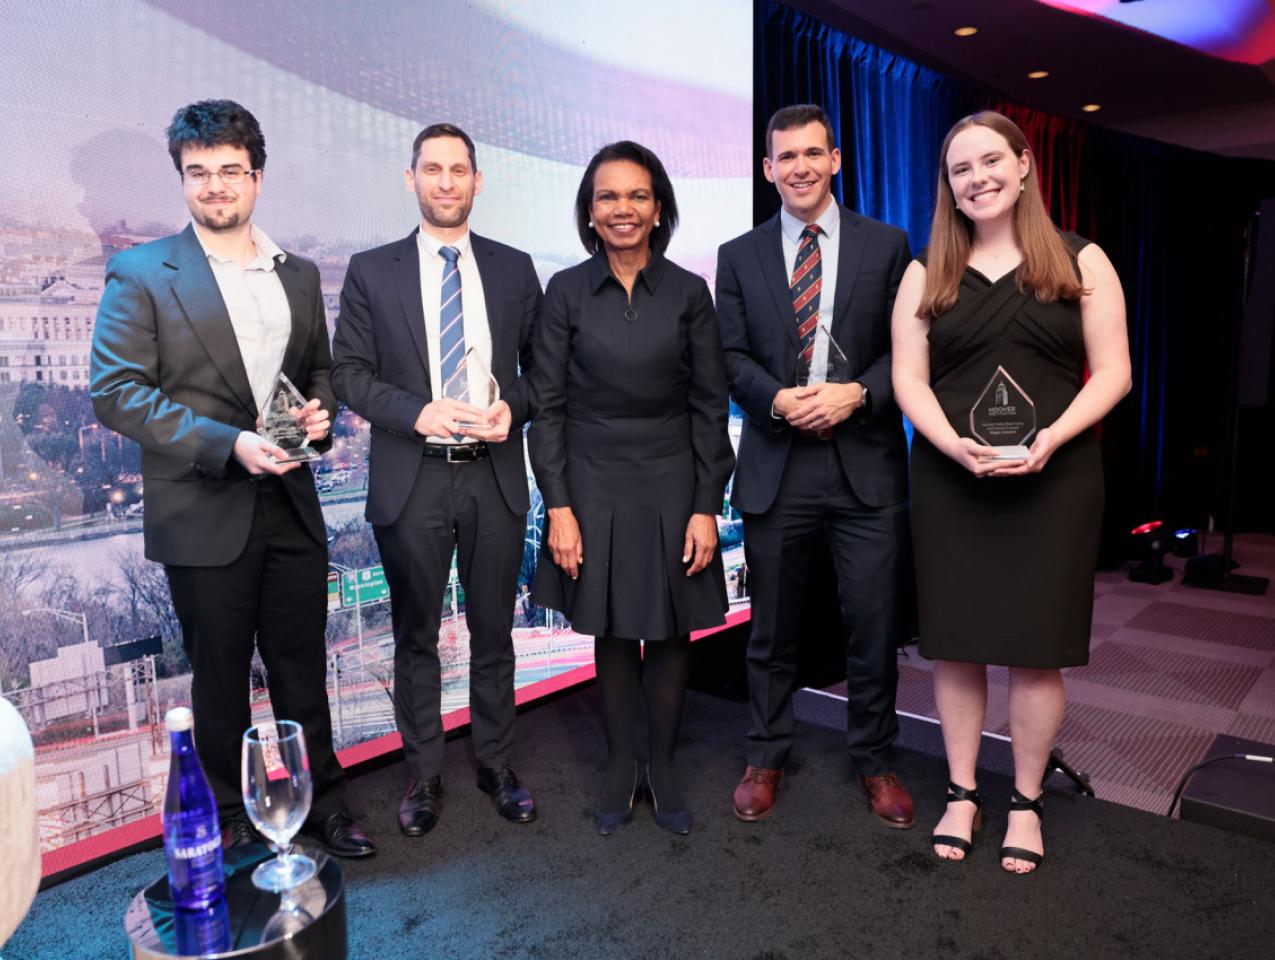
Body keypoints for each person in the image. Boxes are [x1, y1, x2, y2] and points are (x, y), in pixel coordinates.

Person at [90, 100, 374, 857]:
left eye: (229, 172)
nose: (215, 187)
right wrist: (228, 445)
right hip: (202, 503)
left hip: (289, 499)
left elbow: (315, 369)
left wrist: (320, 412)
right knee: (217, 684)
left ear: (256, 176)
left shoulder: (302, 274)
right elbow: (115, 391)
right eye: (198, 174)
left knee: (302, 669)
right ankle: (226, 821)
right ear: (182, 179)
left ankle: (324, 803)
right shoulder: (143, 271)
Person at [891, 111, 1130, 873]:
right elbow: (906, 378)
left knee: (1035, 653)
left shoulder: (1080, 259)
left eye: (991, 160)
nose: (977, 178)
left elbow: (1115, 373)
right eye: (960, 169)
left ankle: (1024, 802)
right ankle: (961, 792)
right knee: (955, 649)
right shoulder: (925, 268)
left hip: (1054, 481)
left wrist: (1051, 439)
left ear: (1024, 166)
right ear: (948, 187)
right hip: (949, 480)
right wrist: (949, 445)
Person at [330, 123, 543, 836]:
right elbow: (350, 376)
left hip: (494, 479)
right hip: (413, 477)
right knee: (415, 635)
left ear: (478, 181)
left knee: (494, 633)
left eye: (458, 170)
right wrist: (418, 411)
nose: (446, 182)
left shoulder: (515, 269)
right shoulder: (370, 269)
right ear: (410, 178)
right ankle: (421, 777)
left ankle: (496, 764)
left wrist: (512, 407)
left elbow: (544, 372)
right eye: (432, 169)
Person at [716, 104, 915, 828]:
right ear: (767, 169)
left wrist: (857, 393)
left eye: (812, 153)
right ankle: (765, 754)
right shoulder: (737, 257)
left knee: (871, 625)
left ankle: (875, 760)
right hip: (777, 465)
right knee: (771, 631)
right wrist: (776, 400)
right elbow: (729, 357)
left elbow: (907, 352)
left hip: (864, 465)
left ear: (835, 159)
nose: (798, 167)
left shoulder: (888, 245)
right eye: (784, 157)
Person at [529, 141, 734, 836]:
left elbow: (709, 406)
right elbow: (547, 407)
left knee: (670, 629)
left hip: (673, 479)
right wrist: (558, 506)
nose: (623, 208)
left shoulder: (687, 292)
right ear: (589, 213)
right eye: (608, 196)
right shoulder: (563, 291)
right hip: (588, 481)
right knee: (613, 629)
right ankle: (622, 764)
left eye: (637, 195)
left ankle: (664, 765)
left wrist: (706, 506)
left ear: (658, 209)